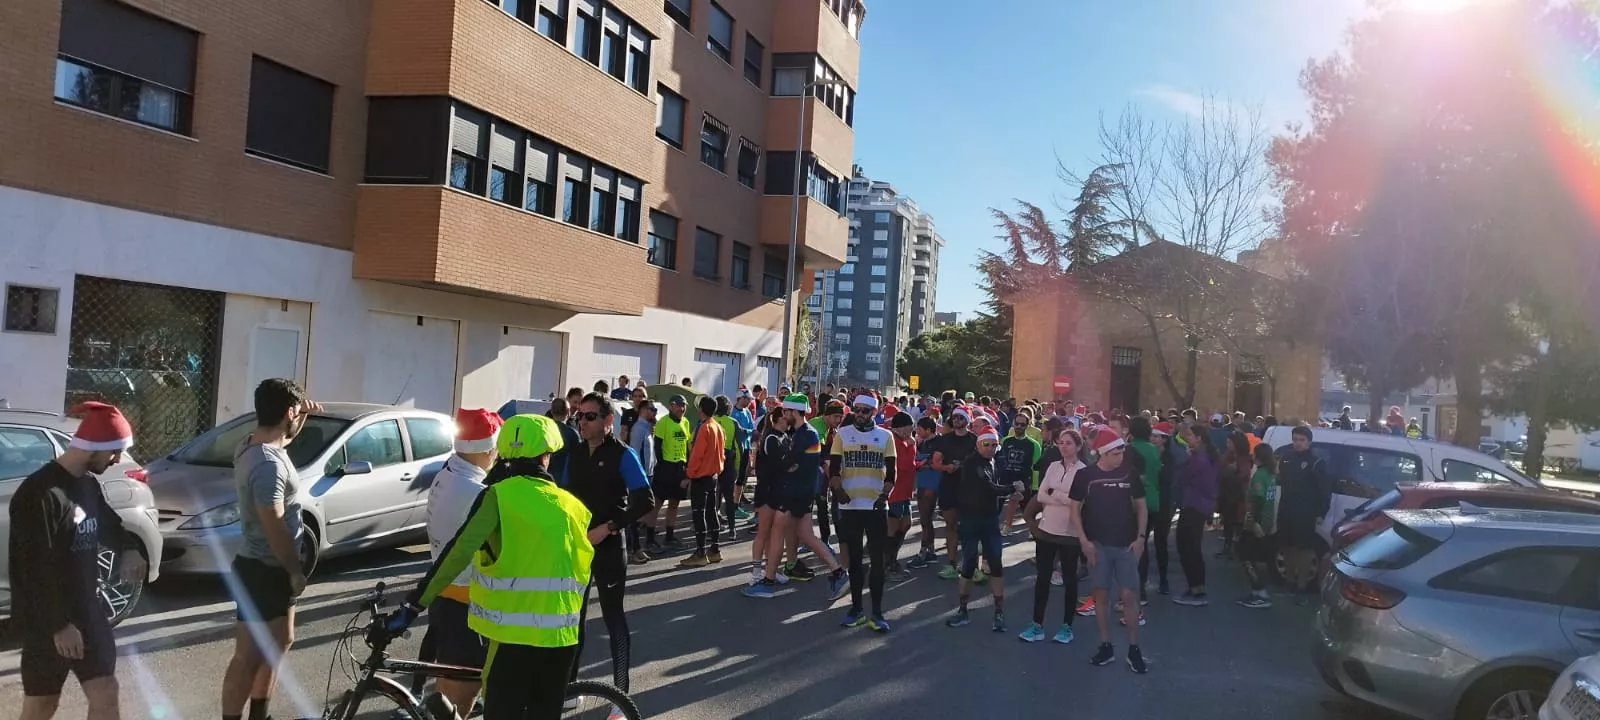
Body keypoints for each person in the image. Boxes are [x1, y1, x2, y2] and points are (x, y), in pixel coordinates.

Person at [386, 414, 591, 720]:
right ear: (546, 457)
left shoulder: (497, 497)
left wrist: (412, 606)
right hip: (560, 643)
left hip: (509, 642)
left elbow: (457, 554)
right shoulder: (573, 507)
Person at [11, 401, 146, 720]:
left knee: (106, 693)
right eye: (114, 451)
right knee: (42, 706)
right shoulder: (39, 494)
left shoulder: (87, 484)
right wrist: (59, 625)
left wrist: (129, 548)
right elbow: (30, 569)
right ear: (94, 446)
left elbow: (108, 523)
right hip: (47, 623)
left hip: (88, 613)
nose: (117, 460)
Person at [221, 380, 319, 720]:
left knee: (280, 641)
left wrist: (301, 415)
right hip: (265, 568)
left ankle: (260, 714)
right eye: (296, 412)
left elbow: (284, 438)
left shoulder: (250, 445)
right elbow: (272, 523)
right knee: (247, 657)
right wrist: (293, 570)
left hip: (262, 567)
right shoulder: (268, 465)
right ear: (288, 412)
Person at [566, 393, 655, 696]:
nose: (582, 422)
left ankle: (621, 693)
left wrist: (610, 527)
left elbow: (645, 501)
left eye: (590, 416)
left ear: (608, 422)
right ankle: (569, 687)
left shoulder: (623, 454)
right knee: (571, 617)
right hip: (577, 545)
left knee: (612, 616)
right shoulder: (575, 453)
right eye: (579, 416)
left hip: (607, 546)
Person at [414, 409, 502, 713]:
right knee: (460, 700)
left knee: (443, 695)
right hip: (466, 603)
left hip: (444, 595)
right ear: (489, 450)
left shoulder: (447, 473)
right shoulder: (478, 493)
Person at [748, 394, 849, 600]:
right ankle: (839, 573)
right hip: (802, 493)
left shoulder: (805, 435)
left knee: (777, 532)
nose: (784, 415)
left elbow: (793, 465)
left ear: (794, 412)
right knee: (808, 537)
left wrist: (790, 470)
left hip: (796, 493)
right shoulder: (805, 433)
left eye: (786, 412)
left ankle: (767, 582)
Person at [1069, 428, 1149, 674]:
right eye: (1116, 452)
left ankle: (1134, 650)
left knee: (1128, 597)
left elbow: (1142, 507)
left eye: (1122, 450)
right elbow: (1074, 509)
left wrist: (1141, 538)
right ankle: (1106, 646)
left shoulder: (1130, 473)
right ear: (1102, 454)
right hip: (1098, 546)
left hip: (1126, 545)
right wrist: (1084, 540)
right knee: (1101, 597)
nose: (1121, 455)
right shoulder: (1085, 476)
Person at [828, 395, 898, 632]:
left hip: (876, 507)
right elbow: (834, 468)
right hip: (850, 507)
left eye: (865, 411)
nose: (859, 414)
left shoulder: (886, 436)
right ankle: (856, 609)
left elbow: (891, 473)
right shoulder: (843, 435)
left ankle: (877, 613)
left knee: (877, 562)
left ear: (874, 412)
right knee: (855, 562)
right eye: (857, 410)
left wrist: (884, 496)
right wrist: (838, 491)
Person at [945, 429, 1019, 631]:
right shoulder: (972, 463)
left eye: (994, 445)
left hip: (989, 520)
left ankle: (999, 613)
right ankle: (962, 610)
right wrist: (1013, 488)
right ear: (978, 445)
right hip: (970, 520)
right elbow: (990, 487)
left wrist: (1015, 488)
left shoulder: (993, 461)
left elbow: (997, 485)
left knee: (996, 565)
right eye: (986, 444)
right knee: (968, 565)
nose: (990, 448)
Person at [1019, 428, 1085, 645]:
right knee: (1042, 579)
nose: (1063, 446)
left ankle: (1067, 626)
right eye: (1061, 442)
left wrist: (1054, 494)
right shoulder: (1053, 466)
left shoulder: (1083, 471)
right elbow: (1040, 494)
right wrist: (1060, 496)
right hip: (1047, 531)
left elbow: (1076, 501)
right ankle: (1036, 624)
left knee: (1069, 579)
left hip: (1069, 533)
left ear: (1078, 446)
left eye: (1068, 443)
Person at [1276, 425, 1332, 603]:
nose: (1298, 443)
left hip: (1305, 513)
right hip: (1286, 510)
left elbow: (1324, 491)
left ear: (1309, 442)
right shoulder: (1286, 459)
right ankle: (1290, 584)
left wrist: (1321, 513)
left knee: (1304, 551)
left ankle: (1301, 587)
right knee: (1287, 548)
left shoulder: (1316, 463)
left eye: (1301, 440)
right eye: (1295, 439)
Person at [743, 411, 792, 595]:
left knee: (774, 533)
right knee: (763, 531)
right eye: (785, 416)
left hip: (778, 491)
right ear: (778, 419)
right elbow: (781, 464)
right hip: (766, 491)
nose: (789, 419)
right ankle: (756, 571)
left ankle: (770, 569)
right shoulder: (771, 438)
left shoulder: (784, 436)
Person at [1173, 422, 1219, 607]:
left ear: (1199, 438)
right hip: (1200, 505)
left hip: (1194, 505)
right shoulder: (1207, 455)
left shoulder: (1198, 457)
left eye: (1190, 436)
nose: (1187, 439)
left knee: (1188, 547)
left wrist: (1186, 458)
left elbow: (1182, 477)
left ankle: (1196, 590)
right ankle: (1196, 587)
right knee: (1191, 547)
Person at [932, 408, 980, 580]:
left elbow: (984, 461)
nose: (957, 420)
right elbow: (935, 463)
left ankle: (972, 567)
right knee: (951, 525)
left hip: (969, 489)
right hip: (949, 486)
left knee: (969, 528)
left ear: (967, 420)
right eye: (954, 418)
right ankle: (952, 564)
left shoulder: (975, 440)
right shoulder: (944, 440)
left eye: (961, 417)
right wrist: (947, 467)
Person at [679, 396, 727, 567]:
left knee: (699, 514)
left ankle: (700, 552)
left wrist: (688, 475)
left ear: (701, 410)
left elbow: (697, 455)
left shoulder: (704, 428)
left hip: (701, 476)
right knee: (711, 511)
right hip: (714, 475)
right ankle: (714, 549)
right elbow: (722, 453)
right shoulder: (717, 427)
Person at [1237, 443, 1281, 609]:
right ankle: (1256, 592)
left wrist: (1254, 523)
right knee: (1252, 555)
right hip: (1266, 520)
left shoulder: (1260, 476)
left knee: (1245, 554)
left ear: (1258, 456)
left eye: (1253, 453)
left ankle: (1260, 592)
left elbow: (1257, 501)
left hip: (1257, 522)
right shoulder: (1270, 474)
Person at [645, 396, 692, 550]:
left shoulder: (685, 422)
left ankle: (669, 536)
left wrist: (687, 468)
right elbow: (657, 447)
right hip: (665, 467)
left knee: (675, 503)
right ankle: (650, 538)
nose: (682, 409)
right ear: (671, 406)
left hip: (680, 467)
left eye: (684, 406)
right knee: (657, 503)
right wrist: (663, 466)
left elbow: (686, 446)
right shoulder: (663, 423)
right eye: (679, 406)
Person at [1137, 421, 1177, 597]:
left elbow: (1167, 479)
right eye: (1151, 436)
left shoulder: (1169, 458)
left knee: (1161, 542)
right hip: (1147, 501)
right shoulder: (1146, 454)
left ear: (1164, 439)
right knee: (1142, 541)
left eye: (1156, 436)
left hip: (1164, 502)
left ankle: (1163, 579)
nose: (1153, 439)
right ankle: (1142, 582)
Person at [905, 416, 945, 569]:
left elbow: (935, 462)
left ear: (928, 430)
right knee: (925, 518)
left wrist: (923, 463)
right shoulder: (923, 442)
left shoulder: (939, 442)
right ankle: (930, 549)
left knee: (926, 517)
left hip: (932, 482)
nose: (917, 431)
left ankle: (924, 551)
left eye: (920, 428)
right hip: (923, 482)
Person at [883, 412, 918, 582]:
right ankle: (886, 566)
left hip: (905, 491)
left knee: (905, 524)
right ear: (900, 427)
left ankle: (892, 561)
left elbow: (911, 464)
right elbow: (900, 465)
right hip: (894, 492)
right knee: (893, 527)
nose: (911, 430)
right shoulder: (893, 441)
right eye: (909, 427)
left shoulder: (908, 441)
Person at [625, 401, 660, 564]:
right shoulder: (639, 429)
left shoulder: (647, 428)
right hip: (640, 477)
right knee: (635, 512)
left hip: (648, 474)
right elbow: (634, 453)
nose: (654, 413)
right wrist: (638, 476)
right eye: (652, 410)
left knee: (641, 512)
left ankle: (636, 547)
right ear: (643, 410)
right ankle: (634, 548)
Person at [997, 412, 1042, 535]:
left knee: (1028, 510)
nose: (1019, 427)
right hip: (1006, 478)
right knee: (996, 508)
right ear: (1013, 424)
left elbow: (1036, 467)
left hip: (1024, 480)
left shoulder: (1034, 445)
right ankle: (1004, 527)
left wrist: (1035, 487)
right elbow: (1000, 461)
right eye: (1017, 424)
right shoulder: (1005, 441)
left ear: (1027, 426)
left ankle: (1033, 532)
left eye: (1022, 424)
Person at [1215, 431, 1254, 560]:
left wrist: (1229, 472)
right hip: (1227, 493)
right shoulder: (1230, 455)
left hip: (1237, 495)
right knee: (1228, 521)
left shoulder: (1243, 458)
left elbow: (1243, 475)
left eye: (1229, 442)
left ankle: (1236, 548)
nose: (1227, 444)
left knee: (1235, 522)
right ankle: (1228, 546)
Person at [546, 398, 582, 485]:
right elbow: (579, 460)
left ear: (551, 411)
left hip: (543, 479)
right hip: (563, 481)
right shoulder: (572, 434)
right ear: (568, 412)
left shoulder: (543, 431)